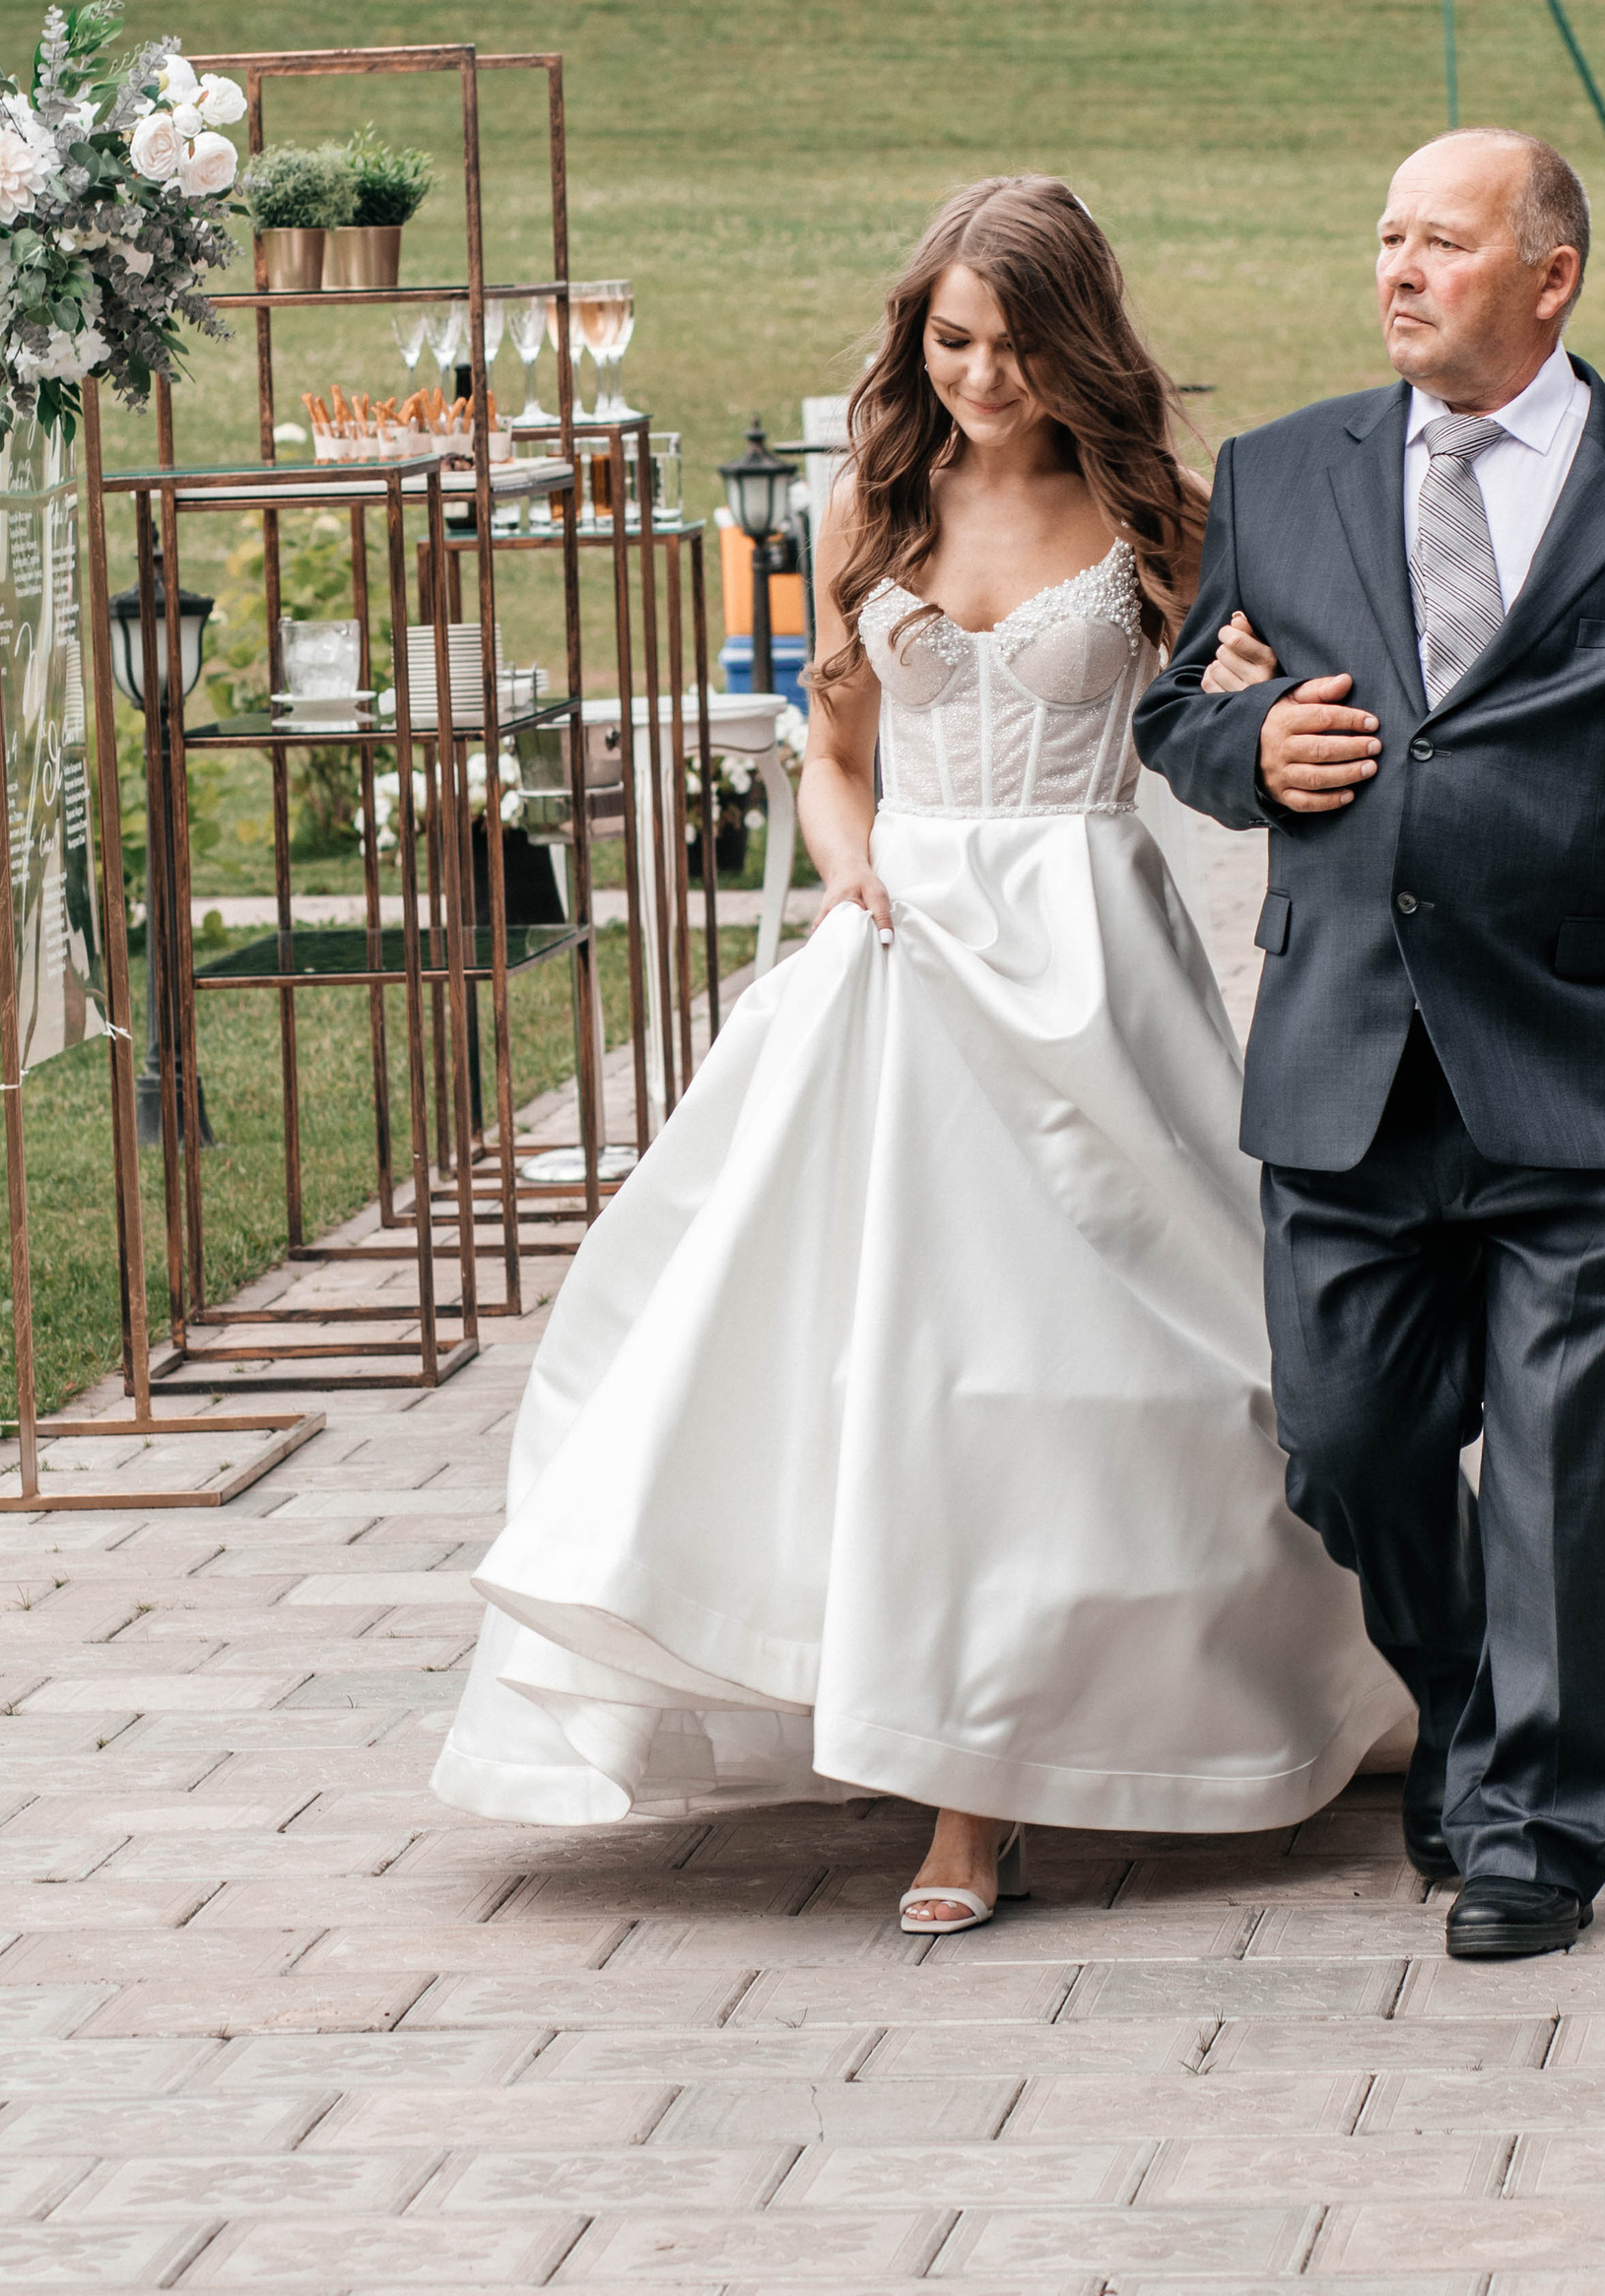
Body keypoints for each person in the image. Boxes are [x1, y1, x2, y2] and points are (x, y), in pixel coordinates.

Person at [431, 176, 1406, 1922]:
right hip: (900, 955)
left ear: (1076, 341)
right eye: (953, 340)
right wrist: (847, 855)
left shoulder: (1154, 514)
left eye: (1017, 345)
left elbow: (1215, 709)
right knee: (897, 1360)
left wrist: (1262, 695)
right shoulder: (870, 510)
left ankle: (1350, 1665)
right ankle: (958, 1783)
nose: (980, 377)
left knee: (1169, 1352)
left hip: (1092, 957)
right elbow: (836, 748)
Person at [1137, 128, 1605, 1964]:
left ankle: (1541, 1815)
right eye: (1385, 236)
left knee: (1560, 1447)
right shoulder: (1283, 476)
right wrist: (1248, 758)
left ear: (1551, 273)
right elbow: (1173, 709)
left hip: (1593, 1065)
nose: (1397, 268)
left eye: (1441, 241)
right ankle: (1462, 1700)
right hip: (1348, 1060)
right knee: (1350, 1442)